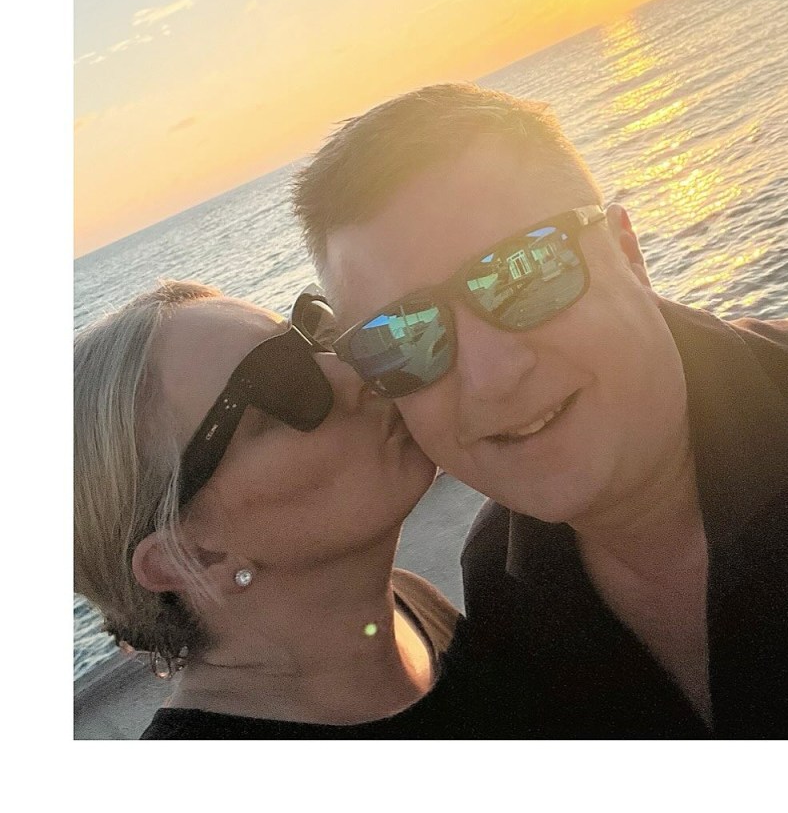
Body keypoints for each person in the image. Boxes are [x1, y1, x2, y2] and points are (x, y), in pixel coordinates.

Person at [291, 82, 788, 738]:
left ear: (628, 252)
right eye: (402, 337)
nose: (491, 377)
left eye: (526, 271)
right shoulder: (503, 585)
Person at [73, 279, 559, 738]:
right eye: (284, 386)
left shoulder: (405, 606)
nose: (353, 371)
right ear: (196, 554)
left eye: (317, 336)